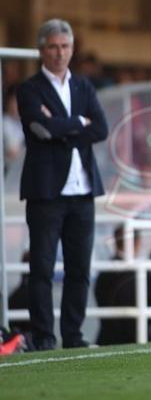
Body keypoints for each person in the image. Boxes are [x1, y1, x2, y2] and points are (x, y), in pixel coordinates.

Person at [17, 18, 108, 350]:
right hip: (46, 191)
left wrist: (62, 125)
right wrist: (77, 123)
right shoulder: (28, 89)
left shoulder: (83, 86)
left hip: (82, 191)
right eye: (53, 46)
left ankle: (73, 335)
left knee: (79, 268)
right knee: (41, 267)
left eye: (65, 46)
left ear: (72, 49)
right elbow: (40, 129)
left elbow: (100, 129)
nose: (59, 53)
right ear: (42, 50)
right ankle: (43, 336)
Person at [94, 226, 141, 346]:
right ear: (136, 242)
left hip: (106, 337)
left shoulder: (105, 270)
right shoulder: (130, 273)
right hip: (125, 340)